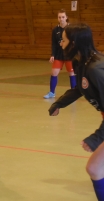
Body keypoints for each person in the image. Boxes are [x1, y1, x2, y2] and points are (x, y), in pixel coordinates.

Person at [48, 23, 104, 201]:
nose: (60, 43)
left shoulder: (96, 70)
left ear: (74, 43)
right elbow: (80, 88)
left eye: (63, 40)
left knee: (94, 168)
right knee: (96, 168)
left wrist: (96, 138)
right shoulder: (82, 63)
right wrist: (59, 103)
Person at [44, 9, 76, 99]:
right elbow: (54, 43)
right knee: (54, 73)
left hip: (69, 54)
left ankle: (74, 93)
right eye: (59, 17)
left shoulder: (71, 29)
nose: (61, 19)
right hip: (59, 55)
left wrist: (67, 44)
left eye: (63, 17)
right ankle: (51, 92)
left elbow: (75, 41)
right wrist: (52, 55)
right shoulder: (55, 30)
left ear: (66, 17)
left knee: (71, 73)